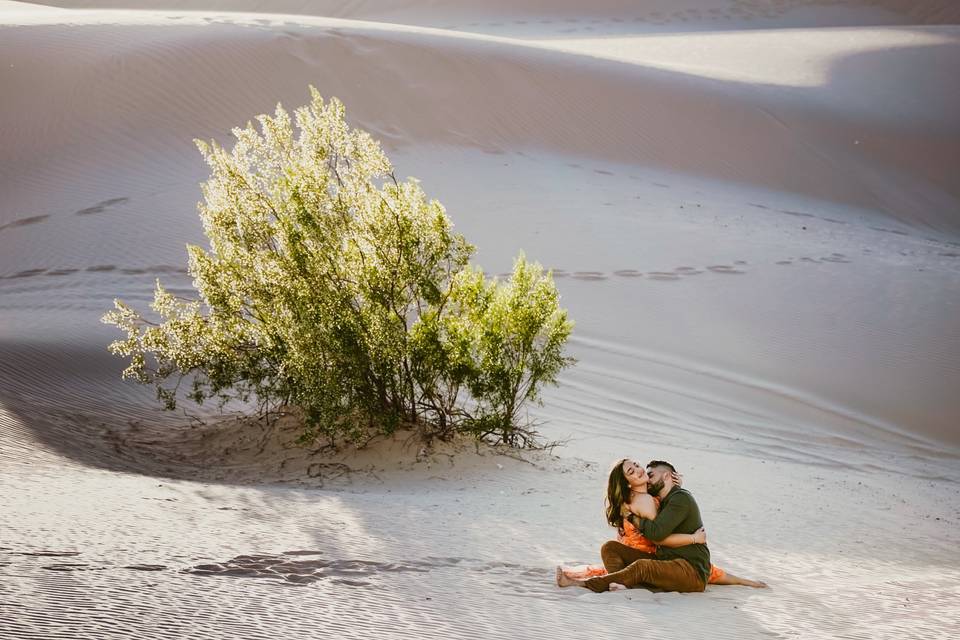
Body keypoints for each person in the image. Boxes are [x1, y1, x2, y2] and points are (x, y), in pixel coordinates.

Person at [557, 459, 766, 592]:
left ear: (666, 476)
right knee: (609, 548)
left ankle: (582, 584)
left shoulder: (679, 499)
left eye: (650, 474)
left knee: (641, 567)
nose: (644, 474)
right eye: (637, 470)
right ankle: (624, 584)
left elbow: (656, 534)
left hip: (689, 570)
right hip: (669, 560)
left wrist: (632, 518)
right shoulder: (662, 497)